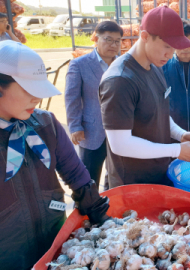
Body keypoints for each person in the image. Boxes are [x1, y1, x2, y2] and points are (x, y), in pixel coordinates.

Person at [0, 40, 112, 270]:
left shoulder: (46, 123)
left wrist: (98, 211)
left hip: (55, 242)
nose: (37, 98)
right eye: (27, 89)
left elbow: (75, 173)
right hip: (8, 254)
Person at [99, 6, 190, 188]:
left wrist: (180, 135)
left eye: (173, 48)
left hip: (158, 173)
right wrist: (176, 150)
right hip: (133, 183)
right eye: (166, 46)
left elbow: (159, 113)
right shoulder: (120, 80)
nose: (170, 54)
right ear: (145, 36)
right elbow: (120, 144)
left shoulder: (155, 68)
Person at [65, 21, 123, 190]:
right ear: (96, 39)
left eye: (117, 41)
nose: (113, 45)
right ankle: (86, 212)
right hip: (91, 131)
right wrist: (75, 126)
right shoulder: (79, 64)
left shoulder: (123, 64)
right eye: (108, 39)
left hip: (120, 131)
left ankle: (108, 209)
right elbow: (72, 97)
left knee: (115, 177)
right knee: (88, 179)